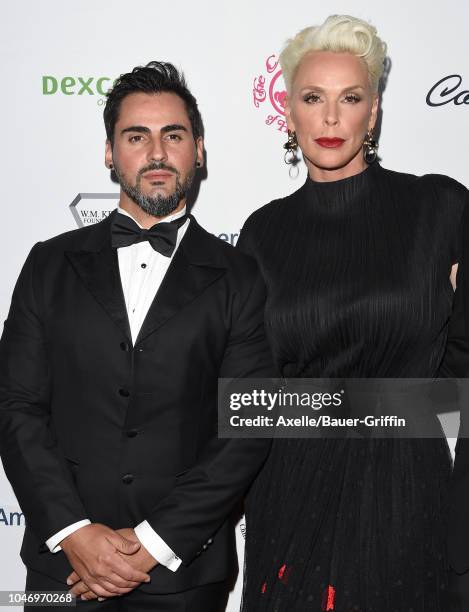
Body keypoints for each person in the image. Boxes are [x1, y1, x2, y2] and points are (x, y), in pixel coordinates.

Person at [0, 61, 273, 612]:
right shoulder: (48, 265)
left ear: (198, 150)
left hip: (184, 573)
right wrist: (74, 531)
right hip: (64, 571)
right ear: (109, 152)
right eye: (136, 136)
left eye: (173, 135)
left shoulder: (240, 275)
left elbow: (244, 426)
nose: (156, 153)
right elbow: (16, 405)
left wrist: (150, 544)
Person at [237, 15, 469, 612]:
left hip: (405, 487)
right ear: (289, 113)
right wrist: (390, 402)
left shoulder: (438, 208)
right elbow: (247, 392)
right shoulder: (263, 233)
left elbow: (463, 370)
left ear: (375, 113)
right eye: (313, 98)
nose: (332, 118)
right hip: (288, 483)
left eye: (351, 98)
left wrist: (408, 409)